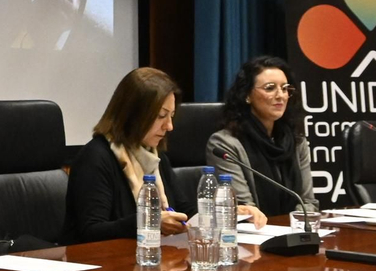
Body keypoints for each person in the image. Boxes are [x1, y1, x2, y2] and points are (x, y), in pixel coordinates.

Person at [65, 67, 266, 245]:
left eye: (170, 116)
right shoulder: (96, 157)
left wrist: (223, 214)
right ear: (132, 114)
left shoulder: (154, 156)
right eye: (161, 116)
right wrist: (149, 220)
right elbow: (91, 232)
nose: (169, 127)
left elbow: (183, 210)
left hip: (150, 261)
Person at [206, 55, 317, 217]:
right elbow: (245, 209)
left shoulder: (296, 140)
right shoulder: (224, 144)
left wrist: (294, 227)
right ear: (247, 95)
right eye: (270, 88)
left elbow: (308, 203)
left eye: (285, 88)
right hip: (254, 236)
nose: (280, 95)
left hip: (294, 233)